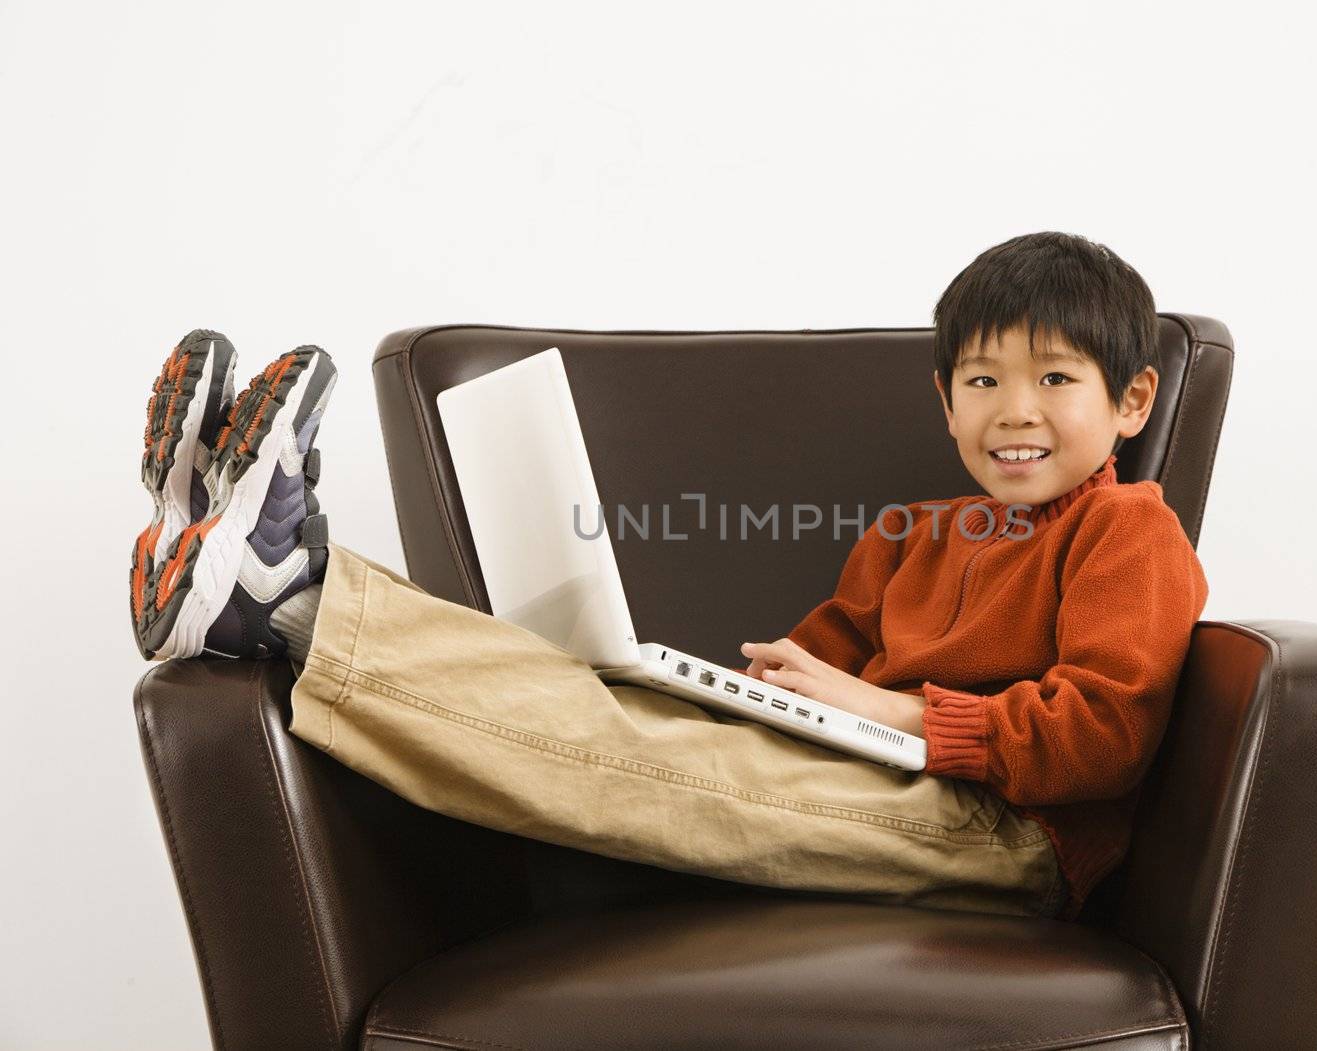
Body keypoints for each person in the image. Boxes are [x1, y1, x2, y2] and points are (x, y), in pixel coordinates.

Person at [127, 231, 1208, 922]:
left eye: (1053, 378)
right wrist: (765, 685)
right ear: (946, 401)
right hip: (876, 772)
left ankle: (289, 601)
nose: (1014, 409)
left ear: (1130, 401)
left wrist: (899, 713)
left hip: (1010, 836)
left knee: (617, 753)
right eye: (982, 379)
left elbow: (1103, 738)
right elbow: (824, 664)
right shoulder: (907, 533)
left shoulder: (1127, 531)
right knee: (597, 698)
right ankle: (273, 581)